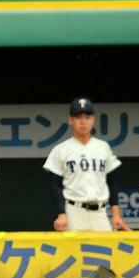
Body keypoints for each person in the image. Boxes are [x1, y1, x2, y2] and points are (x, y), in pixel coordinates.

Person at [43, 97, 131, 232]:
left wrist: (116, 214)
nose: (83, 121)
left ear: (93, 120)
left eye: (87, 117)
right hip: (74, 212)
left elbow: (112, 182)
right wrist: (62, 213)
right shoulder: (61, 149)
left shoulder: (103, 147)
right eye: (78, 117)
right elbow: (55, 185)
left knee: (107, 250)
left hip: (100, 212)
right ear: (71, 120)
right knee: (72, 252)